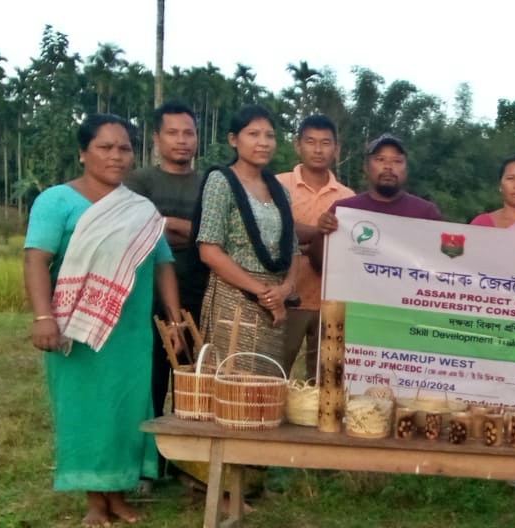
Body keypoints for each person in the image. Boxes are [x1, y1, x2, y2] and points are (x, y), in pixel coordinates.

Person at [23, 113, 184, 528]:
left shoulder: (141, 209)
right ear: (83, 153)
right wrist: (44, 317)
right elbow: (36, 259)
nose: (116, 156)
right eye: (105, 147)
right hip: (77, 329)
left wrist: (174, 318)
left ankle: (118, 493)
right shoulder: (56, 201)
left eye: (125, 148)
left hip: (131, 333)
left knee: (128, 408)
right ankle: (96, 501)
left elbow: (163, 264)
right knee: (87, 411)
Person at [193, 105, 303, 365]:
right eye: (253, 134)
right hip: (235, 301)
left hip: (275, 307)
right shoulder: (221, 182)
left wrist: (284, 290)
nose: (263, 143)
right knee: (231, 387)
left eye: (270, 135)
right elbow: (209, 251)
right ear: (234, 139)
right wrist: (263, 293)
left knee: (266, 390)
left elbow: (293, 250)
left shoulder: (280, 191)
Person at [125, 101, 205, 421]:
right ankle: (152, 463)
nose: (182, 140)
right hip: (148, 297)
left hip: (201, 293)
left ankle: (190, 464)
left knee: (194, 384)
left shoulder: (209, 183)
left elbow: (212, 239)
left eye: (188, 133)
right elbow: (139, 231)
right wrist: (192, 233)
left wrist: (163, 221)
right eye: (173, 133)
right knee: (151, 382)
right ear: (157, 138)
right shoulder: (138, 181)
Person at [275, 115, 354, 379]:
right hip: (287, 298)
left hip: (330, 302)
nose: (318, 149)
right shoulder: (278, 185)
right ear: (298, 146)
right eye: (310, 142)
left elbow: (349, 249)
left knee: (324, 381)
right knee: (275, 373)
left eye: (325, 143)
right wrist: (319, 234)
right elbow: (276, 229)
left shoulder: (348, 197)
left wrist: (301, 245)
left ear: (336, 149)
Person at [318, 133, 443, 224]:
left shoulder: (426, 213)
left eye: (397, 161)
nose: (388, 167)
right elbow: (320, 257)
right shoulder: (343, 210)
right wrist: (322, 230)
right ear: (366, 167)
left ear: (407, 169)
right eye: (380, 159)